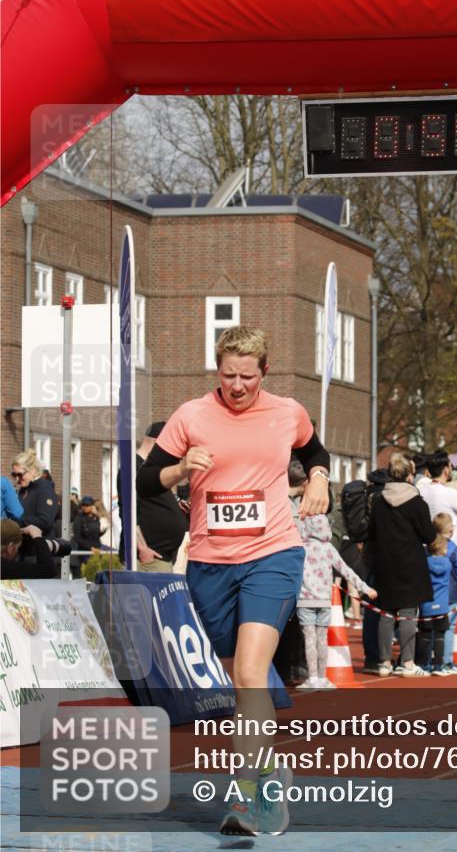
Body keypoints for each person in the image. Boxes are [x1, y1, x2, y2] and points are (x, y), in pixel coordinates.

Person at [136, 326, 329, 837]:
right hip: (210, 561)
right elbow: (144, 481)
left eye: (247, 376)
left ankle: (248, 796)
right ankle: (270, 772)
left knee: (249, 673)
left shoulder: (287, 412)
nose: (237, 386)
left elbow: (316, 453)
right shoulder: (191, 416)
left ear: (264, 371)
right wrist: (180, 469)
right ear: (217, 371)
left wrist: (319, 479)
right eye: (228, 376)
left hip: (273, 554)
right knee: (235, 675)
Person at [365, 452, 437, 677]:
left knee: (386, 612)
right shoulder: (417, 502)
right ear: (409, 476)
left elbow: (372, 532)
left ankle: (384, 662)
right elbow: (428, 535)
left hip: (385, 561)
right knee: (408, 612)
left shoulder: (378, 500)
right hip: (410, 561)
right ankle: (408, 662)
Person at [295, 508, 375, 691]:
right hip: (325, 600)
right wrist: (365, 588)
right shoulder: (328, 548)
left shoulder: (300, 548)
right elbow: (346, 570)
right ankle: (323, 677)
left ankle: (312, 678)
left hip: (305, 600)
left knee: (309, 639)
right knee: (322, 639)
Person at [117, 422, 189, 572]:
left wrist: (176, 505)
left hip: (160, 557)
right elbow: (128, 512)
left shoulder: (152, 470)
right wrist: (142, 548)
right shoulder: (132, 468)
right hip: (147, 558)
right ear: (158, 443)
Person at [416, 512, 457, 676]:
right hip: (450, 595)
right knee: (447, 629)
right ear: (451, 530)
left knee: (426, 630)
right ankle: (445, 661)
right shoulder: (454, 550)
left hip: (429, 596)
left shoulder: (428, 549)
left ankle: (426, 661)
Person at [419, 451, 457, 545]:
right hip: (447, 549)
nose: (452, 469)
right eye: (450, 466)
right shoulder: (449, 493)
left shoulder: (420, 490)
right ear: (446, 470)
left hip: (427, 547)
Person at [0, 519, 70, 578]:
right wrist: (37, 536)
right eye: (17, 548)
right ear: (10, 547)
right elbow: (49, 570)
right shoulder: (5, 568)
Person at [10, 449, 59, 535]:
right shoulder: (23, 489)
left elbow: (45, 521)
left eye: (20, 474)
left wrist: (16, 522)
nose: (17, 479)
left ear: (32, 470)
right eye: (14, 475)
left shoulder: (45, 489)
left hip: (39, 541)